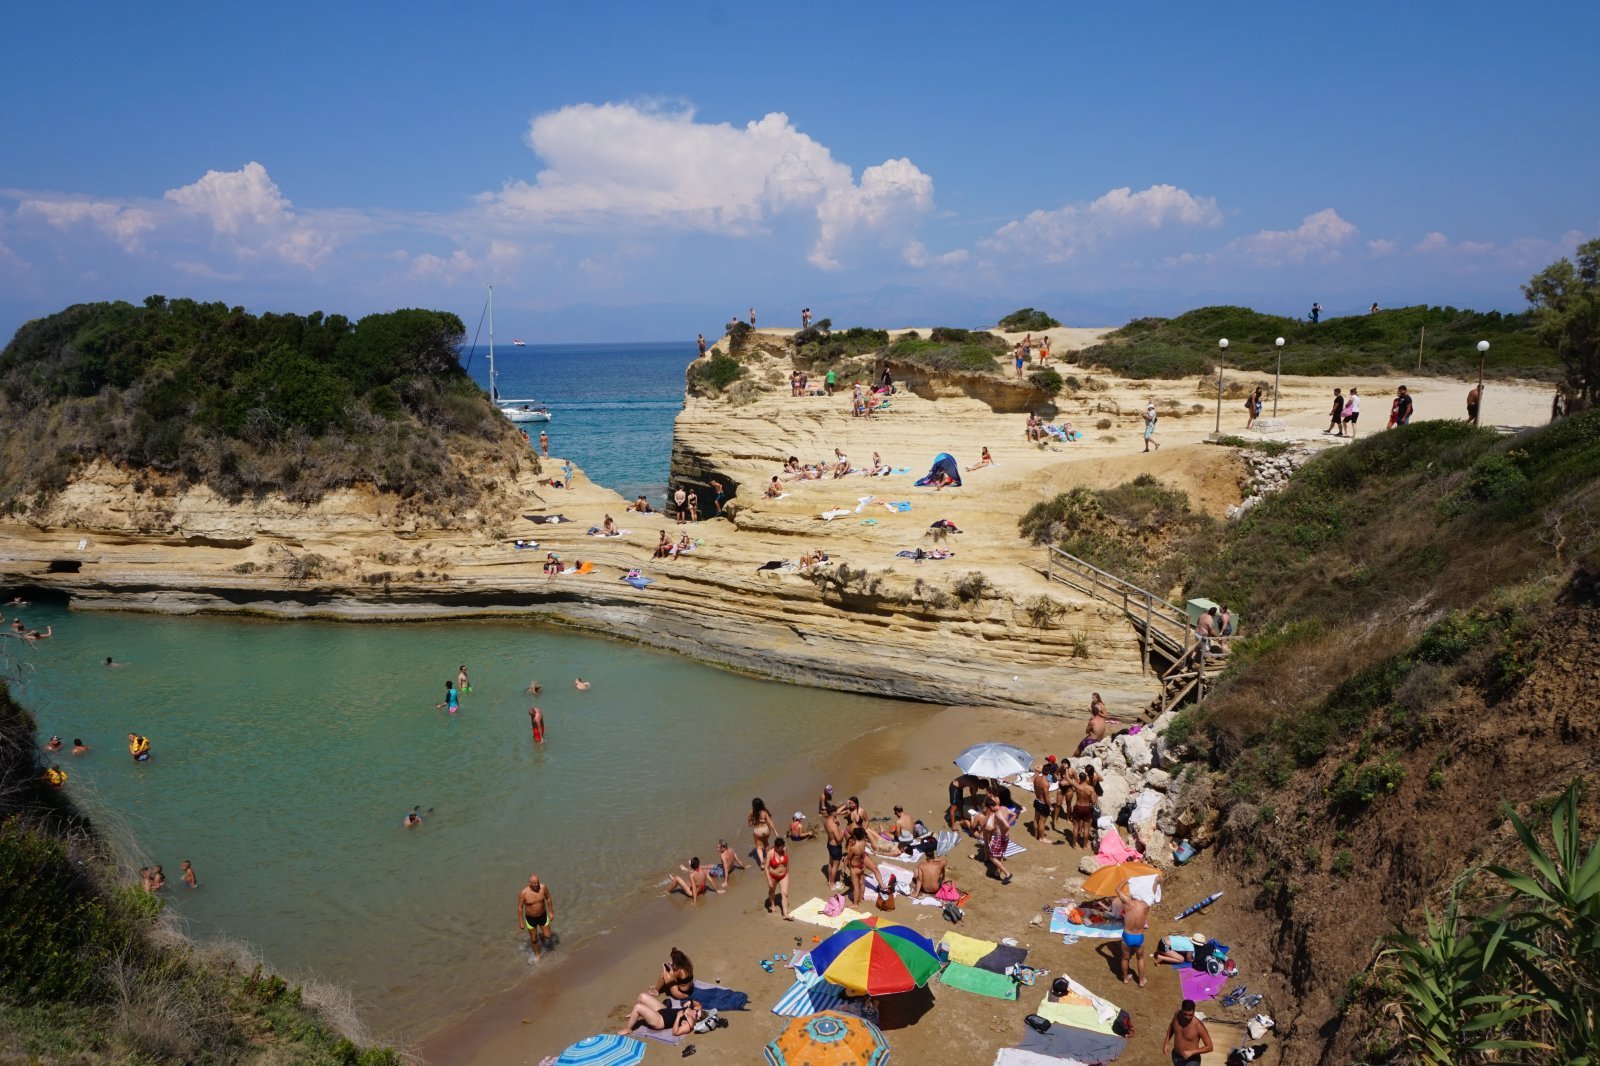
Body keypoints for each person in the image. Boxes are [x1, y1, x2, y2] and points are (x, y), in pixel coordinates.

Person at [619, 994, 702, 1038]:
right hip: (663, 1010)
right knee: (642, 996)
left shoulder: (689, 1025)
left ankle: (628, 1028)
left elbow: (675, 1032)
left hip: (660, 1021)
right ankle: (634, 1014)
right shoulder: (693, 1010)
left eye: (696, 1016)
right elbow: (698, 1004)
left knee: (638, 1007)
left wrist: (678, 1017)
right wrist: (690, 1002)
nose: (695, 1014)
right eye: (697, 1011)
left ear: (697, 1020)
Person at [1118, 881, 1150, 987]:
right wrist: (1155, 883)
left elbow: (1117, 890)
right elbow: (1153, 894)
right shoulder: (1146, 904)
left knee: (1125, 958)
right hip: (1139, 936)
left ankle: (1125, 978)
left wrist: (1125, 881)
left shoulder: (1128, 902)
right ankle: (1141, 980)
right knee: (1140, 958)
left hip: (1127, 935)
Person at [1164, 999, 1214, 1065]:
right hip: (1176, 1055)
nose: (1187, 1017)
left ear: (1194, 1012)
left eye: (1190, 1015)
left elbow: (1210, 1047)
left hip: (1191, 1061)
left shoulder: (1198, 1026)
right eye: (1185, 1014)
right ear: (1182, 1010)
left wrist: (1192, 1052)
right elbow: (1172, 1026)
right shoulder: (1177, 1015)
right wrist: (1166, 1043)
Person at [518, 873, 554, 956]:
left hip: (542, 915)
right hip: (531, 918)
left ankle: (541, 936)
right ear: (529, 883)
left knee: (548, 936)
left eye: (537, 882)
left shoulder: (543, 887)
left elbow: (548, 898)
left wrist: (551, 912)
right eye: (534, 883)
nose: (537, 885)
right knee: (534, 939)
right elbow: (520, 907)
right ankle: (538, 955)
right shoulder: (523, 893)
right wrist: (521, 921)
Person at [982, 797, 1015, 884]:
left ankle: (1007, 874)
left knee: (992, 857)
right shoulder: (1004, 808)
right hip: (1006, 836)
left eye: (989, 809)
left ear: (991, 807)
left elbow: (1006, 826)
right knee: (1000, 855)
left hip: (1000, 837)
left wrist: (1003, 832)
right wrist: (1008, 824)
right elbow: (1014, 815)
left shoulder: (997, 814)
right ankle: (997, 873)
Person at [845, 826, 878, 904]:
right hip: (861, 866)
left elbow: (848, 857)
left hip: (854, 868)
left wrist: (849, 845)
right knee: (862, 882)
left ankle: (855, 904)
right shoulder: (864, 842)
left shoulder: (853, 848)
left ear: (855, 836)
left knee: (856, 887)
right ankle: (861, 898)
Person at [765, 837, 793, 919]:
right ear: (776, 847)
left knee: (785, 894)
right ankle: (772, 904)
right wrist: (769, 880)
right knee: (772, 891)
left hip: (784, 875)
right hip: (773, 876)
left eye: (783, 847)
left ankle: (785, 914)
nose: (782, 850)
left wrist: (788, 872)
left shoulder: (784, 849)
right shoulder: (770, 853)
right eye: (780, 848)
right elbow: (766, 867)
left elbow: (787, 861)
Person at [1070, 769, 1099, 849]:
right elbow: (1094, 801)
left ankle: (1074, 845)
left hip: (1078, 806)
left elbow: (1069, 780)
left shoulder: (1077, 786)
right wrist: (1095, 798)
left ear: (1080, 778)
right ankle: (1085, 846)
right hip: (1086, 808)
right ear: (1086, 778)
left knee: (1076, 827)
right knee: (1086, 829)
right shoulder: (1090, 788)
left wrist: (1065, 770)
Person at [748, 797, 777, 867]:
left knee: (759, 847)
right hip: (766, 830)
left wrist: (751, 820)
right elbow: (770, 822)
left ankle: (762, 863)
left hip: (757, 832)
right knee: (766, 844)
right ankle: (769, 860)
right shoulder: (764, 812)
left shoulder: (751, 813)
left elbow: (750, 825)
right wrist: (776, 832)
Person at [824, 802, 846, 889]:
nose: (837, 812)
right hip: (835, 847)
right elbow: (839, 839)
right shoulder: (833, 825)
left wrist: (844, 805)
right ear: (833, 812)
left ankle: (830, 880)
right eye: (836, 811)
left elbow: (831, 833)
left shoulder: (826, 821)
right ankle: (832, 884)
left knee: (830, 863)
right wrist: (843, 832)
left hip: (829, 844)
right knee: (835, 866)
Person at [1031, 763, 1052, 841]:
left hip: (1037, 800)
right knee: (1042, 822)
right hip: (1043, 804)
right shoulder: (1046, 783)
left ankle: (1036, 835)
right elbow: (1047, 797)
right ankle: (1041, 838)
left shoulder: (1036, 778)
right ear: (1048, 772)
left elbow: (1035, 789)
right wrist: (1050, 806)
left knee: (1036, 818)